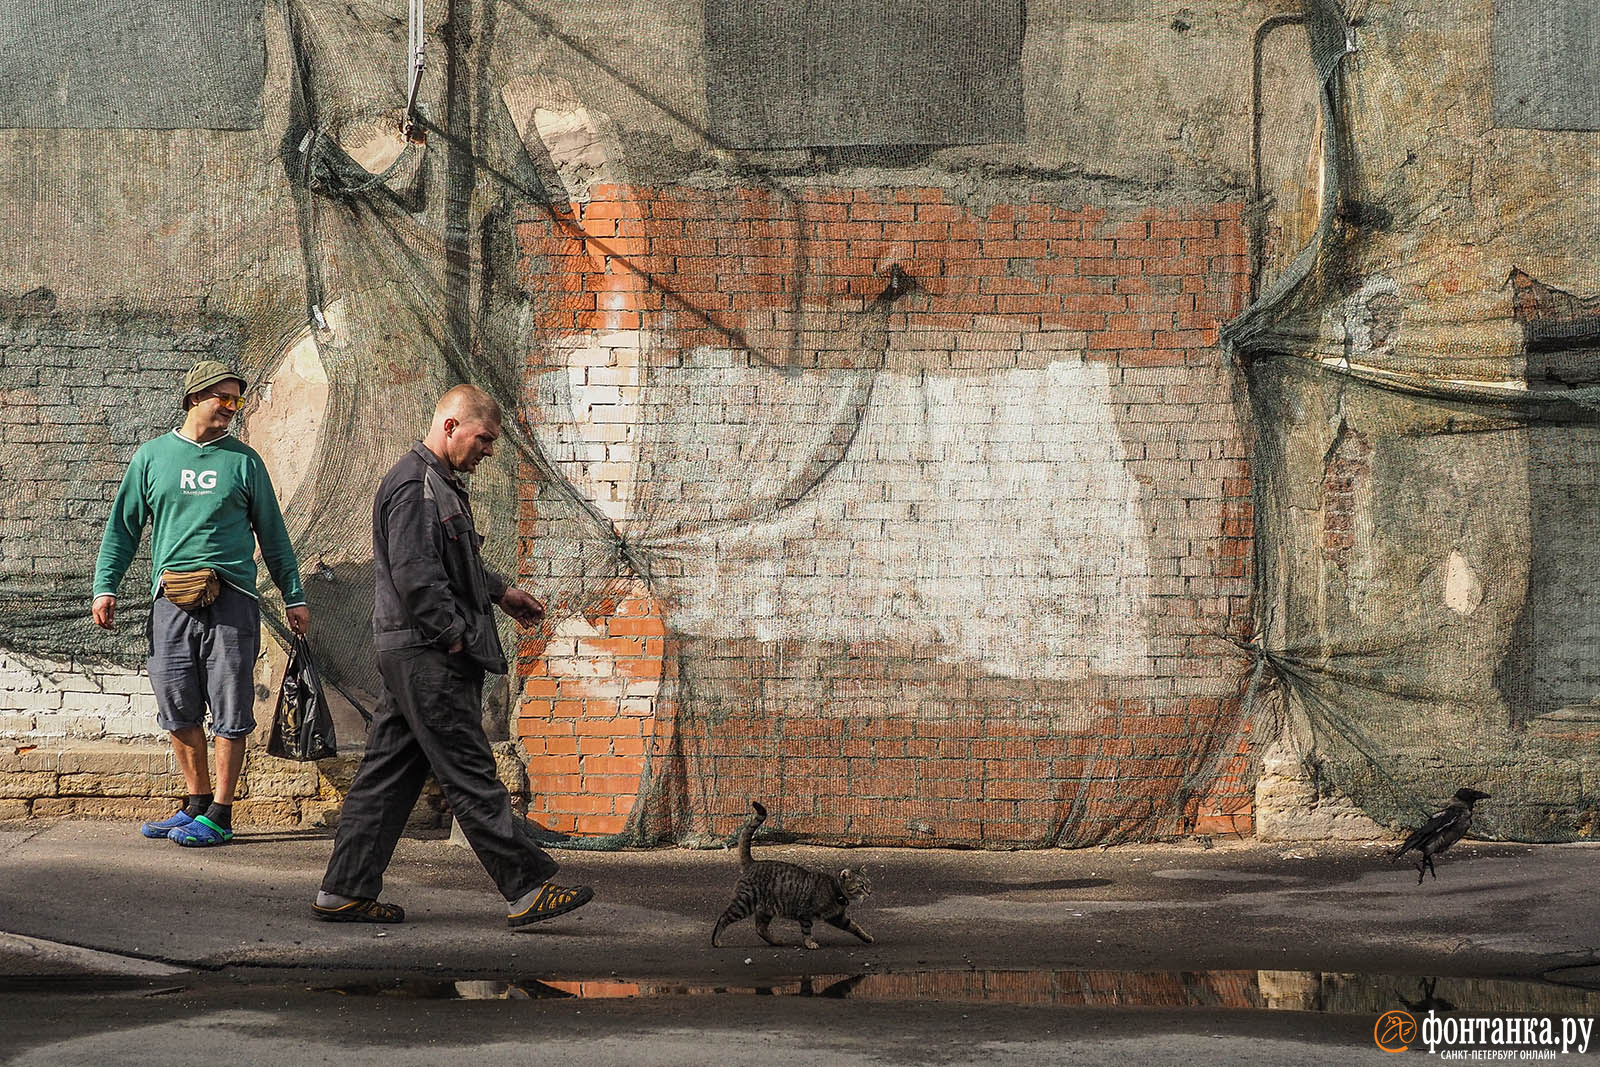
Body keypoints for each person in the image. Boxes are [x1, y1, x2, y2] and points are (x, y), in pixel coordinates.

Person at [313, 384, 593, 927]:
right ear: (450, 426)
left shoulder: (437, 483)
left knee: (386, 777)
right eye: (484, 439)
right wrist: (454, 638)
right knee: (469, 770)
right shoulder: (418, 486)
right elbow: (417, 577)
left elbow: (449, 560)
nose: (488, 451)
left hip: (412, 654)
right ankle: (527, 888)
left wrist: (500, 593)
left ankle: (344, 890)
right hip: (428, 657)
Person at [93, 359, 311, 847]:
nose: (233, 408)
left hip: (232, 599)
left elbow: (273, 535)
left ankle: (221, 813)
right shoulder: (152, 458)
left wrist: (293, 594)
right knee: (177, 703)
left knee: (231, 707)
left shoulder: (244, 461)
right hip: (171, 597)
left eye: (237, 400)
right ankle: (194, 804)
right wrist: (105, 586)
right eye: (225, 398)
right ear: (195, 397)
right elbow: (123, 529)